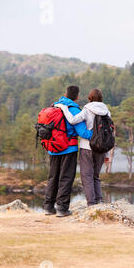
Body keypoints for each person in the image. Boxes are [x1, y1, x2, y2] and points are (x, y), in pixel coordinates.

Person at [56, 88, 111, 206]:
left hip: (87, 147)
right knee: (96, 176)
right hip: (101, 148)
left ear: (89, 98)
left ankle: (91, 204)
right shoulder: (107, 111)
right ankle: (99, 201)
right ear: (101, 98)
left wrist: (64, 108)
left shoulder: (87, 109)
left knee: (87, 177)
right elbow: (107, 134)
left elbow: (72, 120)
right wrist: (106, 153)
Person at [43, 86, 93, 217]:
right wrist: (98, 135)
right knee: (66, 178)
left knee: (53, 177)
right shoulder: (74, 110)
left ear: (65, 94)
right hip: (68, 148)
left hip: (53, 148)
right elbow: (82, 132)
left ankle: (48, 206)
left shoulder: (55, 106)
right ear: (77, 96)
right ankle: (62, 209)